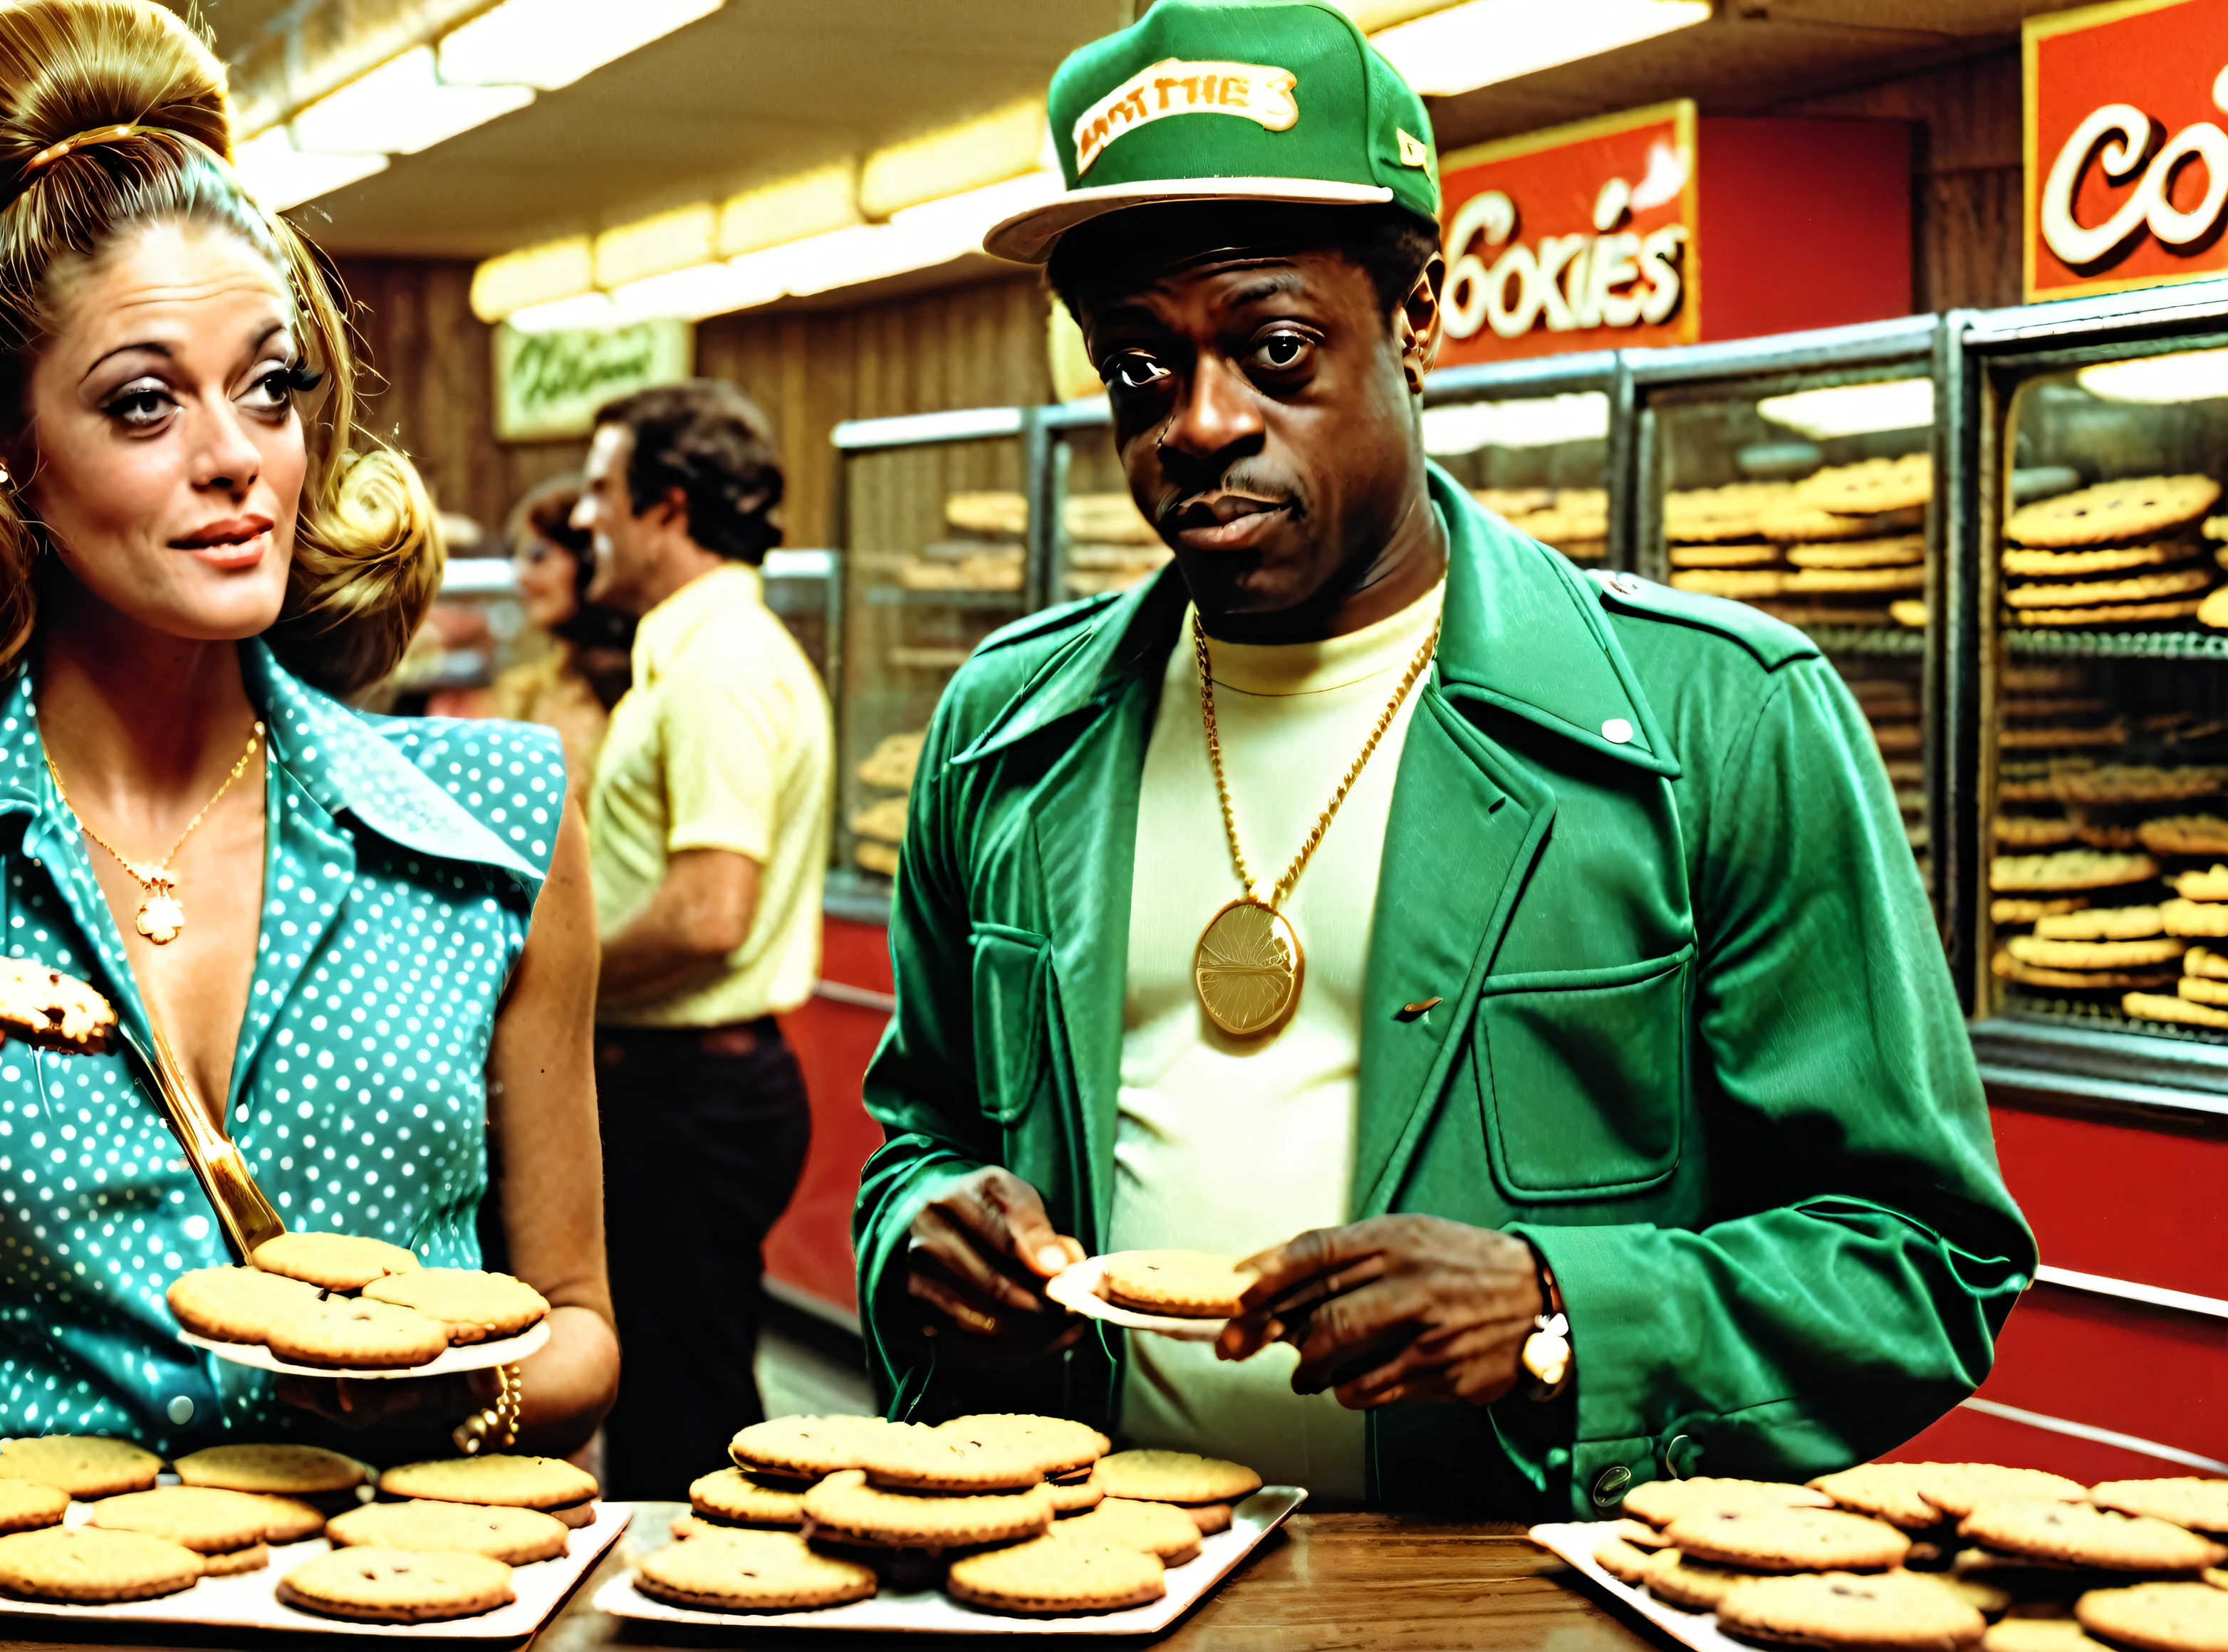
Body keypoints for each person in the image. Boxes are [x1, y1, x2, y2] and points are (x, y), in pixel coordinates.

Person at [855, 0, 2031, 1516]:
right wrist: (921, 1236)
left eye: (1275, 349)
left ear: (1419, 314)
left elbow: (1923, 1255)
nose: (1202, 421)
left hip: (1516, 1598)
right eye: (1140, 366)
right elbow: (921, 1139)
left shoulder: (1716, 719)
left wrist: (1555, 1306)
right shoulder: (1007, 738)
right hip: (1097, 1573)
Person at [0, 0, 615, 1460]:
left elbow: (580, 1317)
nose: (238, 456)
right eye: (145, 402)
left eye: (272, 382)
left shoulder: (492, 828)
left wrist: (445, 1383)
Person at [576, 380, 831, 1498]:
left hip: (685, 1097)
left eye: (601, 492)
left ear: (666, 507)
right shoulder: (700, 655)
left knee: (681, 1419)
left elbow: (707, 912)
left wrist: (545, 983)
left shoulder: (720, 669)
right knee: (680, 1385)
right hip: (686, 1090)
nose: (586, 519)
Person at [484, 474, 633, 810]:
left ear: (588, 561)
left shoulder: (635, 683)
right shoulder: (527, 691)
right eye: (518, 558)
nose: (522, 575)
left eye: (539, 555)